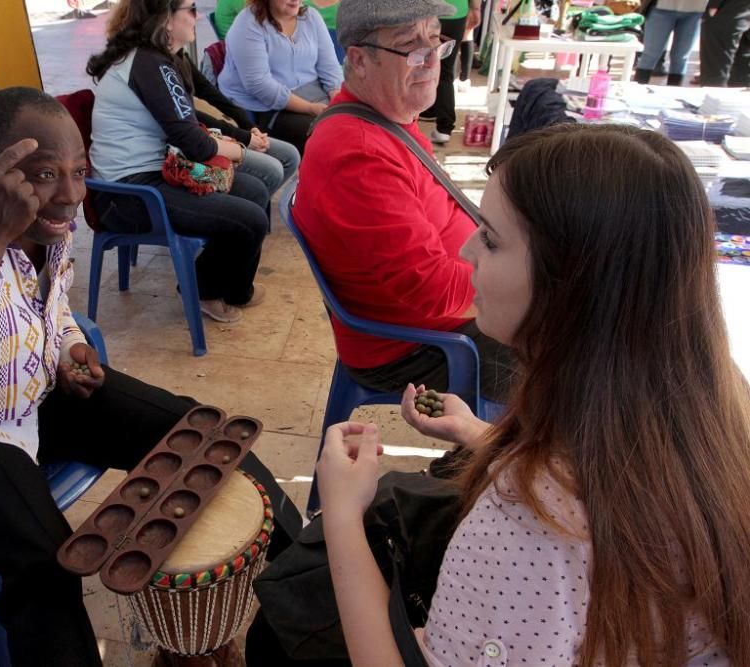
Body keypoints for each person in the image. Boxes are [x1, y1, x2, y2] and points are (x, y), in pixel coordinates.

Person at [260, 122, 750, 665]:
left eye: (491, 238)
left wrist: (342, 513)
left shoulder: (528, 521)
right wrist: (479, 434)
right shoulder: (719, 401)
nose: (468, 250)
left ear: (570, 286)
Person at [0, 87, 299, 666]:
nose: (69, 198)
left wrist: (68, 348)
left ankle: (309, 593)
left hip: (39, 389)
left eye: (79, 171)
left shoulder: (51, 217)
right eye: (44, 174)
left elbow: (55, 308)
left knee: (207, 435)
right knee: (43, 564)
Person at [293, 0, 514, 402]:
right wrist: (525, 281)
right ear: (359, 60)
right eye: (411, 47)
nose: (433, 62)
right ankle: (477, 460)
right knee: (579, 362)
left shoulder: (389, 120)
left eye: (436, 41)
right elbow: (430, 290)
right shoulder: (358, 154)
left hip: (439, 323)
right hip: (412, 348)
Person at [87, 0, 271, 324]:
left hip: (154, 173)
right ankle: (206, 290)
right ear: (166, 19)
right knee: (251, 219)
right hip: (131, 194)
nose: (196, 16)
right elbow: (195, 143)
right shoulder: (149, 63)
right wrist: (242, 151)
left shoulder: (156, 60)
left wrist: (235, 138)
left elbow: (187, 127)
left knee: (255, 191)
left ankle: (226, 286)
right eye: (189, 8)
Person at [218, 0, 344, 154]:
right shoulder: (248, 24)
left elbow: (330, 67)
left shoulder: (311, 17)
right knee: (327, 134)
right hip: (267, 108)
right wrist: (310, 108)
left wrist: (338, 100)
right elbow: (261, 86)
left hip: (315, 95)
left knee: (354, 123)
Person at [172, 47, 300, 196]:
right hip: (187, 150)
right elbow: (191, 118)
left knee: (290, 155)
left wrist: (249, 126)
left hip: (207, 135)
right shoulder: (157, 64)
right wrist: (243, 137)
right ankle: (249, 212)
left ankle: (254, 211)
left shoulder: (179, 54)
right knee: (269, 173)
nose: (197, 21)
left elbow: (207, 90)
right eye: (193, 20)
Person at [419, 0, 481, 144]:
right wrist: (476, 8)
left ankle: (419, 113)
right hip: (456, 12)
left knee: (419, 64)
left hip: (427, 9)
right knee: (445, 71)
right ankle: (444, 127)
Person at [635, 0, 708, 85]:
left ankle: (673, 92)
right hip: (661, 8)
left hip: (696, 11)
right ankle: (637, 90)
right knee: (650, 54)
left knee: (681, 57)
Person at [699, 0, 749, 87]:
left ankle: (713, 93)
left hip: (729, 9)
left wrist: (714, 4)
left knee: (716, 59)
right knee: (743, 58)